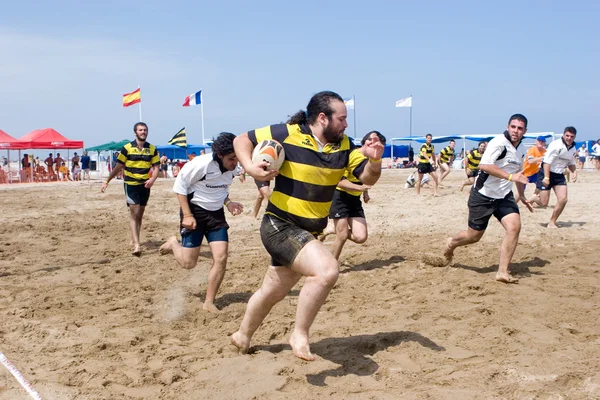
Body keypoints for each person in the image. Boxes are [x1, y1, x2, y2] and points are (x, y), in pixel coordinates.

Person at [230, 91, 384, 361]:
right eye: (342, 119)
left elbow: (366, 180)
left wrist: (374, 160)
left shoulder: (346, 145)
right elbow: (241, 139)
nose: (347, 125)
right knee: (326, 271)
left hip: (308, 231)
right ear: (323, 118)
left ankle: (242, 336)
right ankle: (299, 333)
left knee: (272, 291)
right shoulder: (288, 133)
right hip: (279, 224)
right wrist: (250, 168)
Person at [443, 114, 534, 283]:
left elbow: (519, 175)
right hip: (483, 195)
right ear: (508, 127)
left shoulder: (521, 149)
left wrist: (521, 194)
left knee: (514, 227)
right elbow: (484, 166)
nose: (516, 131)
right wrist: (509, 177)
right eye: (513, 127)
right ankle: (451, 243)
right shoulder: (498, 143)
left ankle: (502, 271)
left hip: (504, 196)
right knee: (474, 236)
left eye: (520, 128)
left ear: (525, 131)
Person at [159, 133, 243, 313]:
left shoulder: (232, 168)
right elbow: (180, 188)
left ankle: (209, 301)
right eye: (231, 159)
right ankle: (174, 243)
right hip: (195, 212)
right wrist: (187, 216)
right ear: (220, 155)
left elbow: (220, 189)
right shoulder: (200, 165)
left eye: (237, 158)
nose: (235, 163)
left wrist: (229, 203)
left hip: (216, 215)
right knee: (189, 264)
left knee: (221, 257)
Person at [322, 130, 385, 260]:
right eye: (370, 141)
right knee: (343, 235)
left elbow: (364, 179)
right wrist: (361, 188)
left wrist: (365, 192)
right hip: (339, 196)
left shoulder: (369, 160)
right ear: (364, 142)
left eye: (377, 143)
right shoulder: (350, 155)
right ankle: (332, 264)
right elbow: (339, 181)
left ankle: (330, 229)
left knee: (361, 237)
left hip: (354, 199)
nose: (373, 145)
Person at [100, 122, 160, 256]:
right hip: (131, 184)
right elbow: (118, 167)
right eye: (140, 130)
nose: (143, 132)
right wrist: (107, 181)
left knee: (140, 214)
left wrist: (152, 179)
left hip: (145, 185)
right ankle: (137, 245)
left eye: (145, 130)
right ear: (135, 132)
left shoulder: (152, 149)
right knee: (134, 212)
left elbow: (156, 167)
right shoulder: (126, 148)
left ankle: (135, 238)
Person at [529, 127, 578, 228]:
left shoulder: (573, 147)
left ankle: (552, 222)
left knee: (563, 199)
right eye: (567, 135)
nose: (569, 138)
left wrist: (574, 172)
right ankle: (535, 197)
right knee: (544, 203)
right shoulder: (555, 145)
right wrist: (546, 177)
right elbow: (547, 162)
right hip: (546, 172)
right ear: (563, 135)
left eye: (571, 136)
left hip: (559, 175)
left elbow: (571, 162)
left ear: (574, 137)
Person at [516, 136, 546, 202]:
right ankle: (514, 203)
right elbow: (530, 161)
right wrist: (541, 158)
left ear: (544, 143)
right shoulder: (532, 149)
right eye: (539, 141)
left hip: (535, 173)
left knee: (541, 185)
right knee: (520, 191)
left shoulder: (545, 152)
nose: (540, 142)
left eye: (542, 141)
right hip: (526, 172)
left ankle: (533, 198)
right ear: (536, 141)